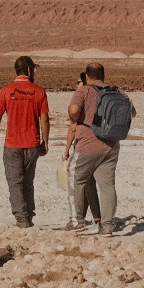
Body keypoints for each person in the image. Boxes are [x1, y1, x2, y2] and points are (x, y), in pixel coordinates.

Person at [66, 61, 133, 235]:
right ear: (103, 76)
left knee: (75, 179)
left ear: (87, 76)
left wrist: (78, 118)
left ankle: (76, 222)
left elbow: (73, 110)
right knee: (107, 185)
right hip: (111, 145)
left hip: (88, 144)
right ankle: (107, 226)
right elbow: (132, 112)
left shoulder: (83, 90)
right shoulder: (116, 91)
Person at [0, 55, 49, 228]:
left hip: (13, 145)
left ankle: (22, 219)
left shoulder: (6, 91)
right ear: (29, 70)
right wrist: (45, 141)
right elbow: (44, 118)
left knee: (15, 182)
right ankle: (27, 216)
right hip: (32, 144)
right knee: (28, 182)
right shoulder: (39, 91)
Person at [64, 70, 103, 231]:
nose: (77, 85)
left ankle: (90, 219)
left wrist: (67, 150)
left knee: (83, 183)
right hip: (102, 145)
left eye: (78, 82)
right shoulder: (99, 97)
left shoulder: (82, 99)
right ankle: (94, 218)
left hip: (86, 146)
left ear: (85, 81)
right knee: (90, 183)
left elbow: (73, 128)